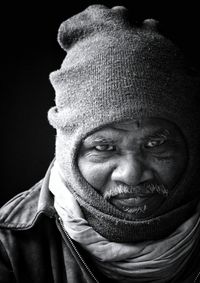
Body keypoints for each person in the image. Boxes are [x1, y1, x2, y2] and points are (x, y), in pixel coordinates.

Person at [0, 4, 200, 283]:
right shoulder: (9, 245)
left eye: (155, 143)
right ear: (68, 149)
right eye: (103, 148)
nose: (131, 174)